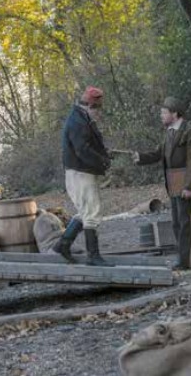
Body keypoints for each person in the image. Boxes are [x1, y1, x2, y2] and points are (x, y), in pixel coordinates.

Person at [133, 97, 191, 270]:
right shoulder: (169, 132)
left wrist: (189, 187)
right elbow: (159, 153)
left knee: (185, 223)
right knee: (177, 223)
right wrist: (141, 157)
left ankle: (186, 262)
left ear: (174, 114)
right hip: (173, 183)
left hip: (185, 183)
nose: (161, 115)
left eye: (164, 112)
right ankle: (183, 260)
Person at [52, 86, 114, 267]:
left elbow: (87, 146)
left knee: (85, 212)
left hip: (80, 171)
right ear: (89, 106)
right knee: (92, 213)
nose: (99, 113)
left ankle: (63, 245)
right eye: (98, 108)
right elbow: (82, 150)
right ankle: (93, 257)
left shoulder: (80, 118)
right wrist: (103, 161)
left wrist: (104, 154)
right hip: (80, 172)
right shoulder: (78, 122)